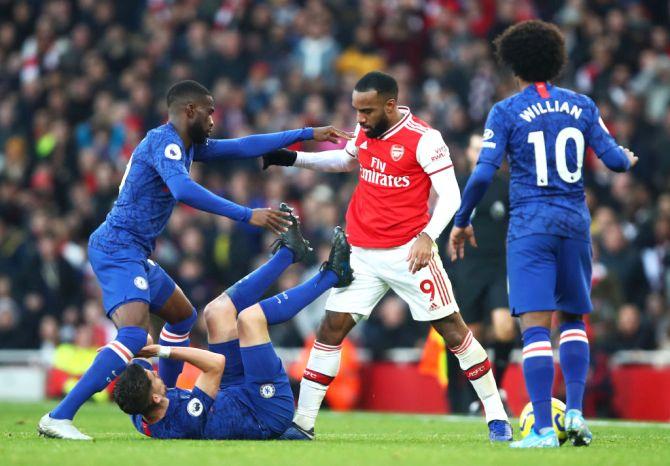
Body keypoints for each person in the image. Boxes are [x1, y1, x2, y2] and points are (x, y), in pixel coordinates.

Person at [38, 79, 350, 440]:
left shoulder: (187, 146)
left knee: (182, 316)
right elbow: (183, 189)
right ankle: (60, 415)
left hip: (135, 252)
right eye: (210, 111)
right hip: (117, 247)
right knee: (135, 333)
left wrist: (307, 132)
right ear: (190, 111)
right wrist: (247, 214)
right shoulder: (163, 142)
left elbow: (244, 146)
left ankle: (167, 399)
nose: (214, 120)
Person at [263, 71, 512, 442]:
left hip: (408, 254)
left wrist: (429, 236)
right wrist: (292, 158)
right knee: (330, 330)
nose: (359, 118)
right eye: (356, 110)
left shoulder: (425, 140)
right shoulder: (366, 131)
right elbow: (345, 161)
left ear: (391, 105)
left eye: (367, 110)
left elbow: (452, 196)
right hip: (361, 254)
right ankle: (303, 424)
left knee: (454, 331)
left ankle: (496, 416)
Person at [449, 20, 638, 448]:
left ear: (513, 64)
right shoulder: (583, 105)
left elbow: (482, 175)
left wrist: (462, 219)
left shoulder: (506, 111)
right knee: (572, 319)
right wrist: (627, 159)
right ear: (556, 62)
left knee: (535, 326)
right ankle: (574, 411)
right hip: (574, 223)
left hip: (531, 226)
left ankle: (542, 429)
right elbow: (614, 161)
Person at [113, 210, 353, 440]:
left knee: (216, 312)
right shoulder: (183, 419)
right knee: (250, 319)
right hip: (264, 410)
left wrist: (123, 349)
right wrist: (163, 350)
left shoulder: (139, 408)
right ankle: (334, 275)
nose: (154, 372)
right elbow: (215, 365)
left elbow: (143, 344)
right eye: (152, 376)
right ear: (155, 398)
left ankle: (289, 253)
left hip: (233, 391)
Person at [446, 134, 515, 414]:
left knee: (505, 328)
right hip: (467, 269)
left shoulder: (505, 188)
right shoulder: (459, 186)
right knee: (470, 338)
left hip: (498, 267)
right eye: (476, 148)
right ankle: (464, 398)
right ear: (469, 153)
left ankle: (495, 391)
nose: (481, 153)